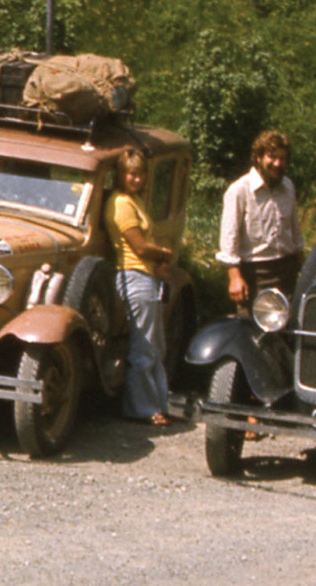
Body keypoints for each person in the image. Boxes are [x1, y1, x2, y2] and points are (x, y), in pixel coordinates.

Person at [105, 148, 175, 426]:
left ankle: (158, 403)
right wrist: (165, 254)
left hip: (145, 277)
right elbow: (139, 247)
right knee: (144, 347)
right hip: (134, 276)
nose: (137, 179)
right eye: (131, 173)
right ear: (120, 175)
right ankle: (142, 409)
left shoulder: (134, 201)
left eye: (141, 173)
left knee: (156, 345)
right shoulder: (121, 203)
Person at [217, 130, 304, 313]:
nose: (278, 164)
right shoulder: (239, 191)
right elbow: (228, 241)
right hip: (255, 275)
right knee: (253, 333)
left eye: (282, 159)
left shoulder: (288, 187)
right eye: (272, 157)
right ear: (258, 157)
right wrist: (235, 278)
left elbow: (295, 231)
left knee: (289, 331)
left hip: (287, 272)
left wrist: (300, 266)